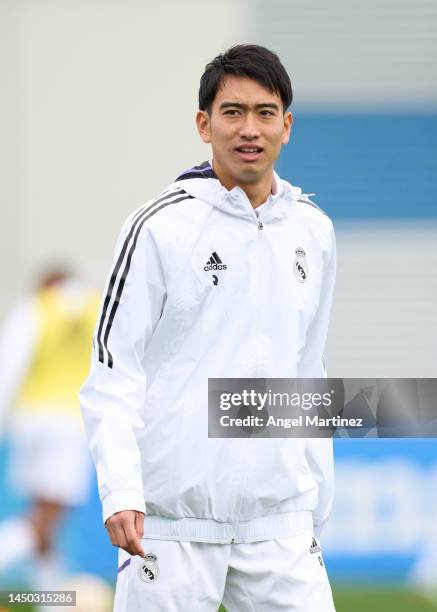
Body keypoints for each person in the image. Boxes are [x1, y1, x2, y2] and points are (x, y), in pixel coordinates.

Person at [80, 44, 337, 611]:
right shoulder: (159, 227)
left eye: (266, 112)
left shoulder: (313, 231)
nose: (250, 129)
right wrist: (121, 491)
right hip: (171, 523)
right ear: (204, 124)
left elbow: (308, 370)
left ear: (287, 126)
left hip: (279, 522)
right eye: (233, 112)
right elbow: (113, 372)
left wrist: (318, 496)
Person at [0, 268, 98, 593]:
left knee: (45, 520)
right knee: (47, 518)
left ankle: (50, 601)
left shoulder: (35, 307)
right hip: (69, 426)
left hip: (29, 422)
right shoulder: (96, 309)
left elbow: (9, 365)